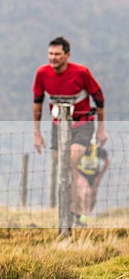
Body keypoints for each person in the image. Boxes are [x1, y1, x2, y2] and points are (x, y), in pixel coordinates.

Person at [32, 36, 107, 225]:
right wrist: (37, 133)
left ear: (67, 55)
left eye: (57, 54)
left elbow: (99, 99)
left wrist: (101, 129)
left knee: (70, 162)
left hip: (82, 124)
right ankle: (73, 209)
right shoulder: (42, 74)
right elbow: (37, 103)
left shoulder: (81, 73)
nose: (53, 58)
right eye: (50, 54)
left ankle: (73, 213)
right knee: (63, 169)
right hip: (58, 126)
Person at [74, 133, 110, 226]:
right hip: (81, 174)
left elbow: (107, 162)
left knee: (92, 197)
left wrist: (99, 177)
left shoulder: (99, 151)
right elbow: (72, 163)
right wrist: (78, 176)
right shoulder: (81, 150)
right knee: (84, 193)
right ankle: (82, 218)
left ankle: (85, 215)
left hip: (93, 176)